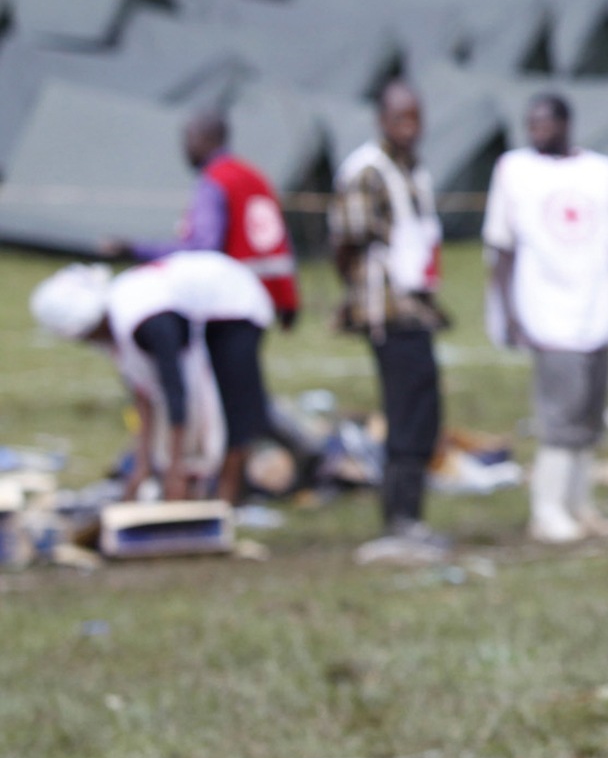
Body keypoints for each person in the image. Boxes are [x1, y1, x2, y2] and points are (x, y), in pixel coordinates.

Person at [485, 95, 608, 545]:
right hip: (547, 313)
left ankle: (581, 503)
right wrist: (510, 314)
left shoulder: (602, 172)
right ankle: (548, 508)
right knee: (560, 415)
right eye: (530, 124)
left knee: (590, 416)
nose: (536, 133)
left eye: (544, 124)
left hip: (596, 308)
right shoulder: (513, 170)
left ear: (566, 124)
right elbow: (501, 246)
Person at [31, 254, 275, 507]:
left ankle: (228, 494)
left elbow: (176, 391)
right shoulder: (117, 327)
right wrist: (141, 466)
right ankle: (193, 487)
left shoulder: (149, 322)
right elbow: (144, 395)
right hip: (196, 311)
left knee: (233, 400)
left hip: (233, 304)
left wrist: (175, 469)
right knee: (187, 423)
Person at [332, 79, 451, 566]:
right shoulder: (367, 171)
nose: (411, 128)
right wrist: (358, 293)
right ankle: (399, 518)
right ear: (382, 119)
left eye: (417, 118)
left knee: (425, 407)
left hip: (416, 305)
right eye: (401, 118)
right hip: (387, 310)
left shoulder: (411, 170)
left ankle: (412, 513)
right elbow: (344, 241)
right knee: (406, 409)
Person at [106, 111, 299, 333]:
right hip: (265, 294)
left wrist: (134, 250)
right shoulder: (255, 176)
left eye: (188, 138)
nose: (184, 147)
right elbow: (282, 240)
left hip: (229, 300)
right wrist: (289, 297)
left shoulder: (214, 181)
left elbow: (202, 248)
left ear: (207, 139)